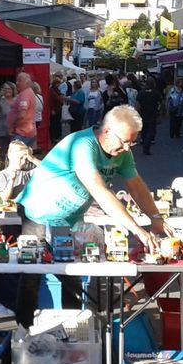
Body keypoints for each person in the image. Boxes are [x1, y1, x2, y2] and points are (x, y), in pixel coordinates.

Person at [15, 105, 161, 329]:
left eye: (131, 143)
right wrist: (137, 229)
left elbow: (137, 186)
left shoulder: (122, 153)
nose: (126, 148)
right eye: (123, 141)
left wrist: (155, 217)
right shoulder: (82, 145)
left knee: (72, 274)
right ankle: (23, 331)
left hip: (69, 218)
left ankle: (74, 334)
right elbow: (99, 190)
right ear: (107, 131)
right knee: (33, 272)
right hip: (39, 212)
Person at [9, 72, 38, 148]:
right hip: (26, 131)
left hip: (22, 132)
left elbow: (22, 115)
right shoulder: (26, 93)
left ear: (27, 83)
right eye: (17, 80)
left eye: (19, 80)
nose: (17, 83)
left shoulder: (25, 95)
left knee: (16, 157)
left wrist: (13, 126)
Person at [136, 78, 160, 155]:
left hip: (142, 113)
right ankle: (147, 146)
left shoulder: (141, 93)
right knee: (150, 130)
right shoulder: (156, 93)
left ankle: (143, 139)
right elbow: (160, 103)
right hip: (152, 114)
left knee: (144, 129)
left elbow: (137, 104)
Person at [0, 81, 16, 153]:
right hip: (2, 132)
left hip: (15, 132)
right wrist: (0, 95)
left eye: (9, 89)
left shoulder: (17, 100)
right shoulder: (0, 101)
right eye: (5, 89)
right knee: (3, 153)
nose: (7, 91)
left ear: (13, 90)